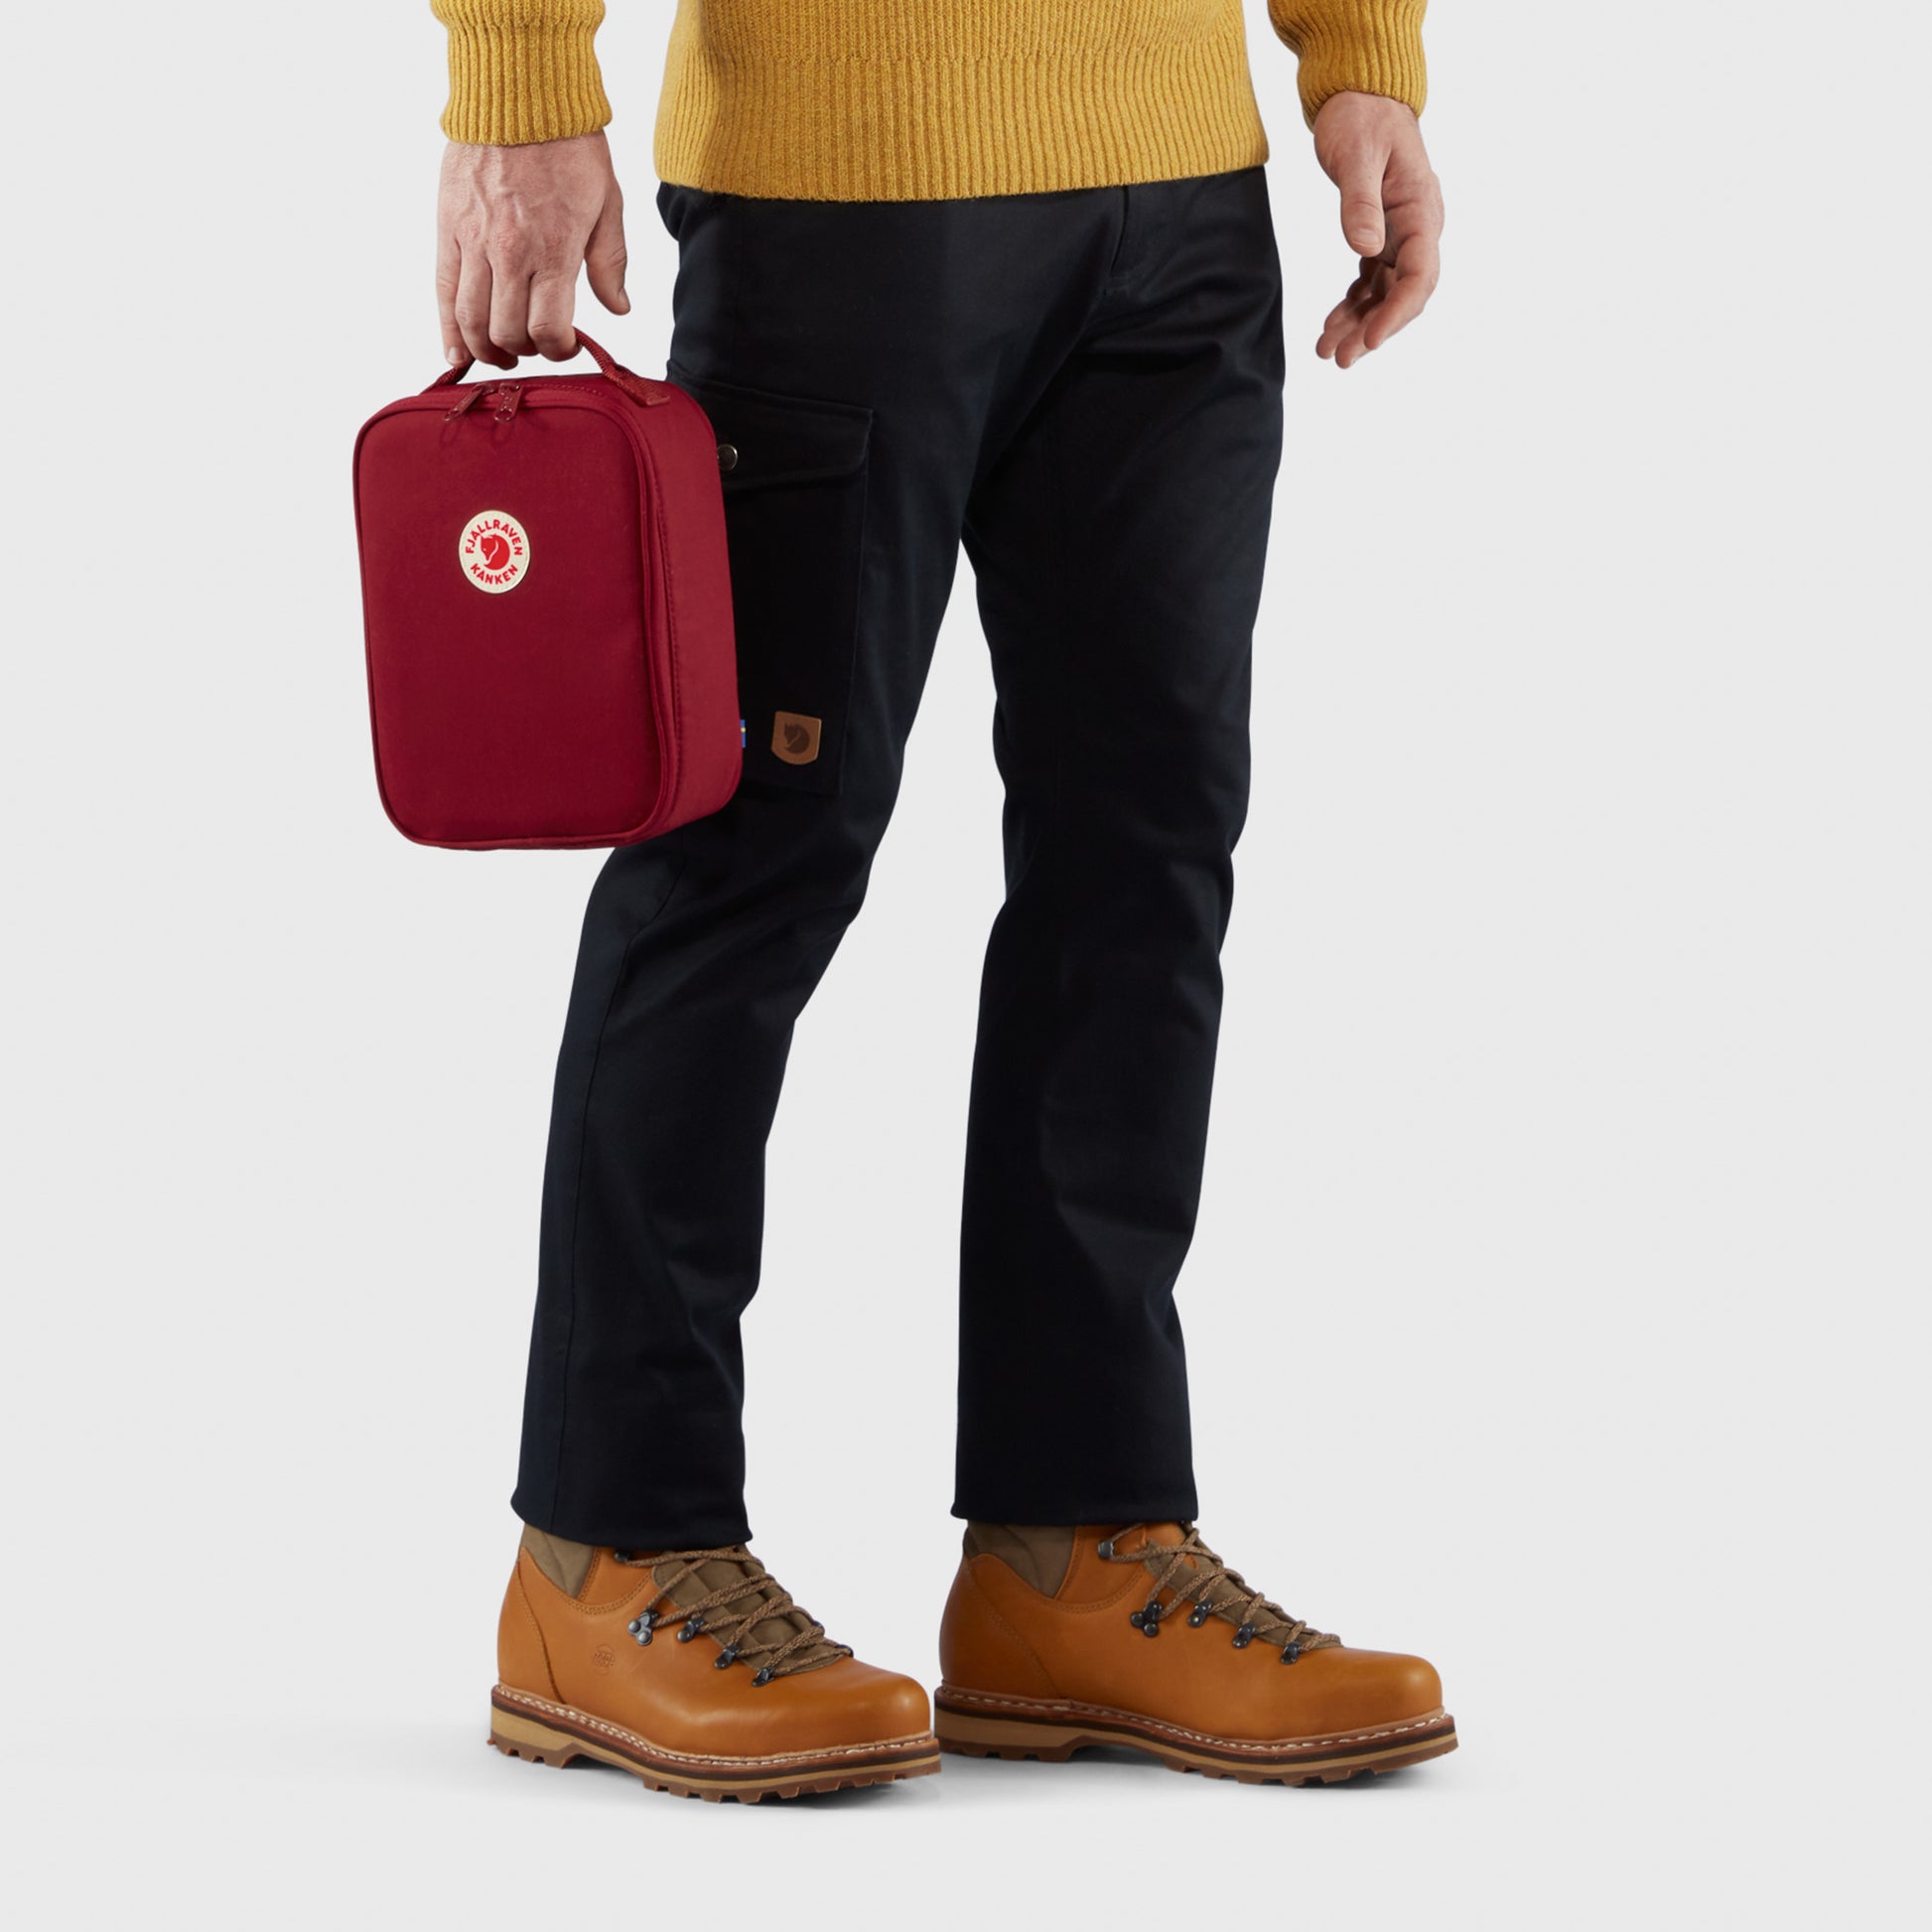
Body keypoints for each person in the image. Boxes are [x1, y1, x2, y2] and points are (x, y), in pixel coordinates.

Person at [432, 0, 1451, 1802]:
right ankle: (604, 1548)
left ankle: (1073, 1549)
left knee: (1144, 860)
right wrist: (518, 77)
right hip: (842, 182)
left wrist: (1361, 48)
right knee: (750, 857)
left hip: (1180, 195)